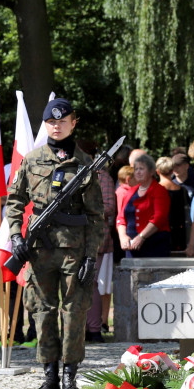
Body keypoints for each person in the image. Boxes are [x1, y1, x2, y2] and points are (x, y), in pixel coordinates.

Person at [5, 97, 105, 389]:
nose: (56, 126)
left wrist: (91, 255)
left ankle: (69, 378)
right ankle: (49, 378)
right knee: (43, 312)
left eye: (62, 121)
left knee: (74, 313)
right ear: (45, 125)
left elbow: (96, 216)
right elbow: (14, 202)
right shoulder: (32, 160)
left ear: (73, 123)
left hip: (74, 251)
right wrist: (16, 238)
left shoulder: (86, 163)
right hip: (39, 250)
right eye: (51, 122)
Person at [85, 141, 117, 343]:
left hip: (95, 236)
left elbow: (109, 207)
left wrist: (83, 212)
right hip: (74, 237)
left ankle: (94, 329)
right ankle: (79, 330)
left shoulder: (101, 176)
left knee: (92, 282)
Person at [157, 156, 189, 252]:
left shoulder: (155, 190)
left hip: (159, 234)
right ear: (172, 171)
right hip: (179, 235)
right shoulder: (182, 191)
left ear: (157, 171)